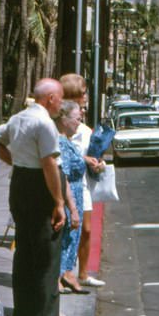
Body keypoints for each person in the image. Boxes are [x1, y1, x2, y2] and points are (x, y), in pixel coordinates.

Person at [0, 78, 78, 316]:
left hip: (20, 183)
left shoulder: (19, 118)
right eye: (60, 98)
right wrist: (59, 203)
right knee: (47, 255)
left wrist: (16, 161)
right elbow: (50, 165)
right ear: (50, 98)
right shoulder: (44, 124)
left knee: (25, 252)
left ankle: (24, 315)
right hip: (40, 186)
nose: (61, 104)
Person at [58, 73, 106, 287]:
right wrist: (83, 159)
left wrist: (98, 163)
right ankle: (63, 273)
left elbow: (94, 156)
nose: (86, 97)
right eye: (83, 93)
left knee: (85, 229)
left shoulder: (85, 130)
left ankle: (82, 273)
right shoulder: (60, 127)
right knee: (67, 230)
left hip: (82, 184)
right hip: (64, 185)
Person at [54, 100, 90, 295]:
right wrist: (71, 206)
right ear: (64, 119)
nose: (79, 122)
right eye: (77, 118)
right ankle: (57, 276)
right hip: (69, 195)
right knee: (66, 236)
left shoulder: (66, 140)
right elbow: (63, 175)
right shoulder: (60, 141)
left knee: (72, 237)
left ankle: (67, 272)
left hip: (76, 193)